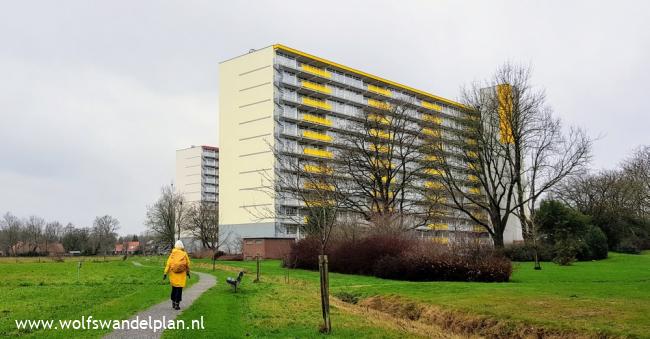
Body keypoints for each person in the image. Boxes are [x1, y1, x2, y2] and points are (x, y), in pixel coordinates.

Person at [163, 240, 191, 310]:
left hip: (173, 275)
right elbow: (188, 264)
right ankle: (177, 305)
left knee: (174, 288)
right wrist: (188, 272)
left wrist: (165, 273)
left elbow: (168, 264)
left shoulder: (172, 254)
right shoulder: (184, 254)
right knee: (179, 290)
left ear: (175, 246)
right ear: (182, 246)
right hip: (181, 275)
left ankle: (173, 302)